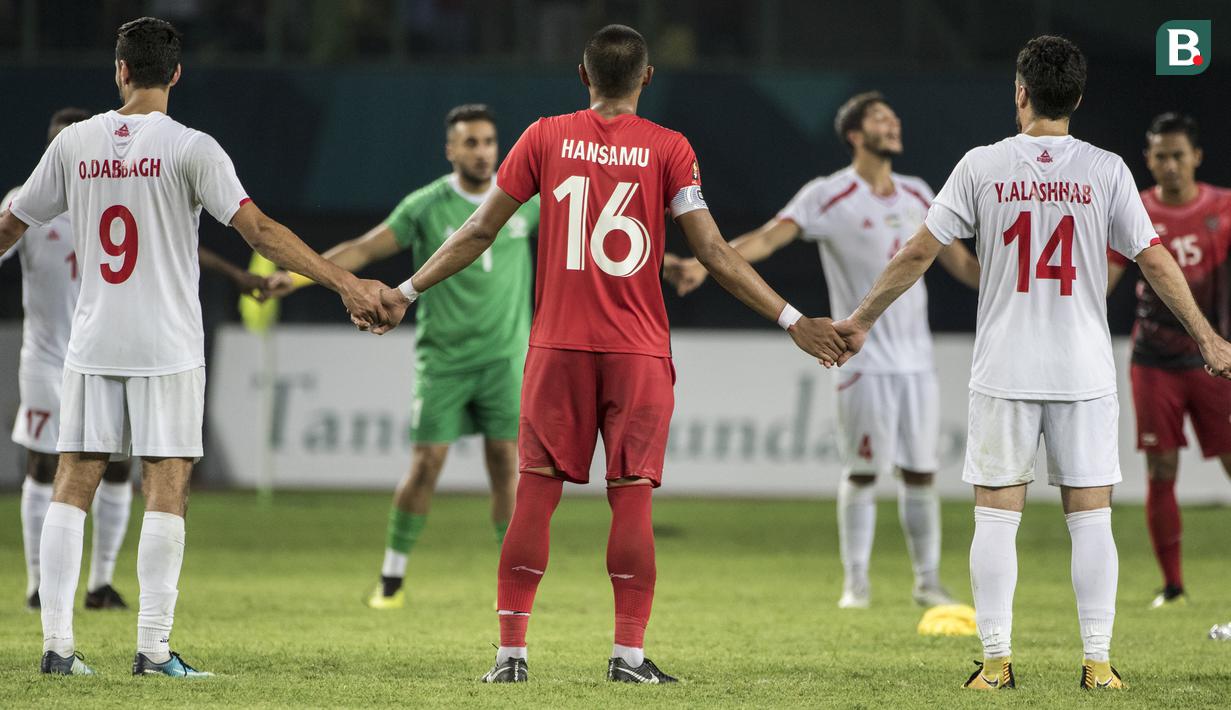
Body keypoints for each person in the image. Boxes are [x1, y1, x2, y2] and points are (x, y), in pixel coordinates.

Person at [372, 24, 848, 684]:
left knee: (533, 494)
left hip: (556, 348)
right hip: (636, 351)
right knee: (631, 500)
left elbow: (480, 229)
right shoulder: (670, 149)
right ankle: (626, 656)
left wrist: (403, 290)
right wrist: (792, 319)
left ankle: (510, 655)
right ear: (646, 78)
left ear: (582, 75)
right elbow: (712, 251)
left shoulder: (541, 136)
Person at [831, 36, 1231, 691]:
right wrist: (1208, 339)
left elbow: (915, 254)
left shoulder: (979, 166)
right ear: (1075, 96)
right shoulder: (1104, 170)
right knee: (1090, 516)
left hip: (1004, 368)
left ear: (1020, 92)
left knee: (995, 515)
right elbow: (1153, 259)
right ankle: (1097, 666)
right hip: (1081, 369)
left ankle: (993, 666)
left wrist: (859, 321)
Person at [0, 16, 390, 677]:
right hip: (167, 346)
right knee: (168, 486)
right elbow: (258, 230)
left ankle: (59, 649)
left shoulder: (74, 145)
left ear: (120, 71)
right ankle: (152, 650)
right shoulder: (192, 147)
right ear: (175, 74)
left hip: (91, 341)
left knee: (73, 482)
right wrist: (343, 282)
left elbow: (9, 225)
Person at [663, 91, 980, 610]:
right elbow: (769, 238)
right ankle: (856, 584)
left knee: (921, 471)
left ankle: (928, 582)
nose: (893, 123)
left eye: (894, 115)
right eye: (881, 118)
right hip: (861, 360)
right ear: (855, 134)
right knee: (861, 471)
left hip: (917, 362)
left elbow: (962, 265)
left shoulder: (919, 193)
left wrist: (1008, 285)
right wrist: (704, 264)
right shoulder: (828, 195)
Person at [7, 108, 282, 615]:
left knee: (104, 472)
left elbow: (181, 244)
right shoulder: (40, 202)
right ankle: (44, 588)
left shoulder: (97, 187)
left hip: (92, 349)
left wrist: (236, 277)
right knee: (59, 468)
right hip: (59, 356)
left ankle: (94, 590)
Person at [270, 105, 540, 609]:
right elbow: (367, 248)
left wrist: (664, 260)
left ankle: (514, 583)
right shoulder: (426, 205)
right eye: (471, 143)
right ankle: (392, 577)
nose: (482, 152)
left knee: (507, 467)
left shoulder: (523, 200)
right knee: (426, 464)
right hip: (442, 361)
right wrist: (300, 275)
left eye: (488, 142)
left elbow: (584, 234)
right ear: (451, 150)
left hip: (506, 359)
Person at [1106, 113, 1231, 609]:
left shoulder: (1223, 208)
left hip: (1215, 357)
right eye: (1161, 156)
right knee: (1161, 467)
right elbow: (1106, 277)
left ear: (1196, 157)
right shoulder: (1133, 208)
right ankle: (1173, 586)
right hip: (1153, 357)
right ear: (1148, 158)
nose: (1170, 165)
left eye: (1179, 155)